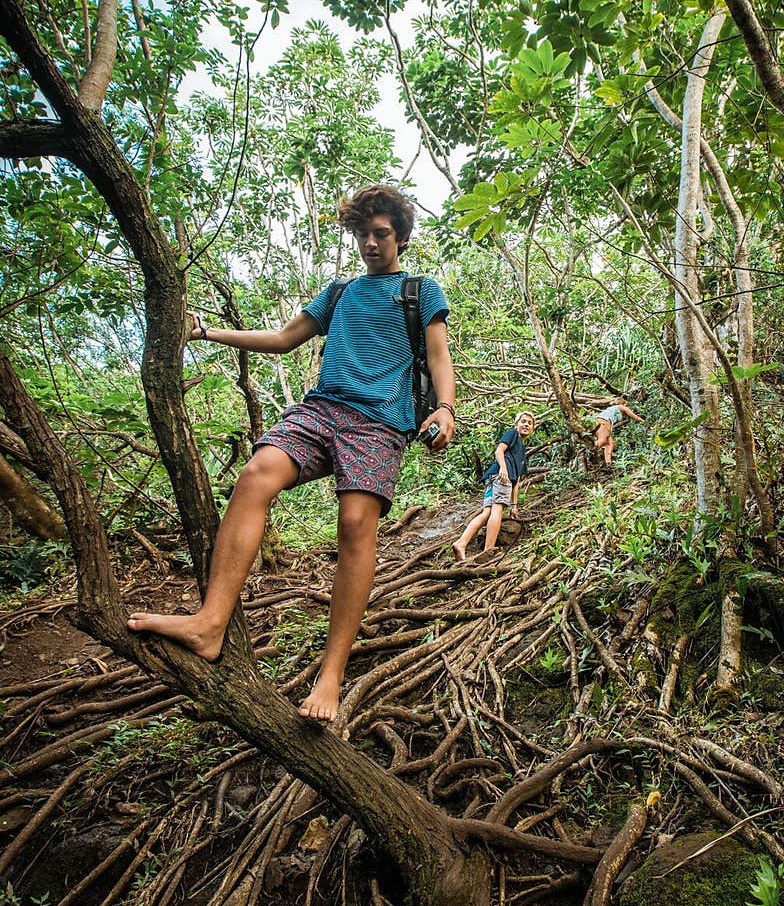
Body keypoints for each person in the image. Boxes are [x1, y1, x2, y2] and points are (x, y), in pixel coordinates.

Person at [127, 184, 455, 724]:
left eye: (382, 234)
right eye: (363, 234)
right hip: (322, 410)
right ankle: (210, 623)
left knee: (355, 524)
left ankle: (331, 675)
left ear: (399, 236)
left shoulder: (420, 291)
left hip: (379, 425)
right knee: (256, 475)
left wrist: (445, 409)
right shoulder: (340, 291)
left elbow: (440, 358)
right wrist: (207, 332)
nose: (371, 244)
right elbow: (283, 339)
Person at [452, 411, 535, 560]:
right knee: (498, 509)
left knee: (487, 513)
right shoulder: (512, 434)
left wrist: (514, 504)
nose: (526, 425)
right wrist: (503, 468)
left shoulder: (522, 452)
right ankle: (488, 550)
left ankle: (461, 543)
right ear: (516, 424)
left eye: (529, 423)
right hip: (501, 476)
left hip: (494, 477)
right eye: (523, 421)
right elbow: (499, 450)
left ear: (532, 428)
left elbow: (518, 482)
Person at [593, 397, 643, 466]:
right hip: (604, 421)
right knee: (602, 440)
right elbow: (634, 416)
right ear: (623, 403)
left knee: (610, 443)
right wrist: (642, 421)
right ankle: (591, 449)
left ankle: (608, 462)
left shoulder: (612, 409)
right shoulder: (621, 407)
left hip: (602, 421)